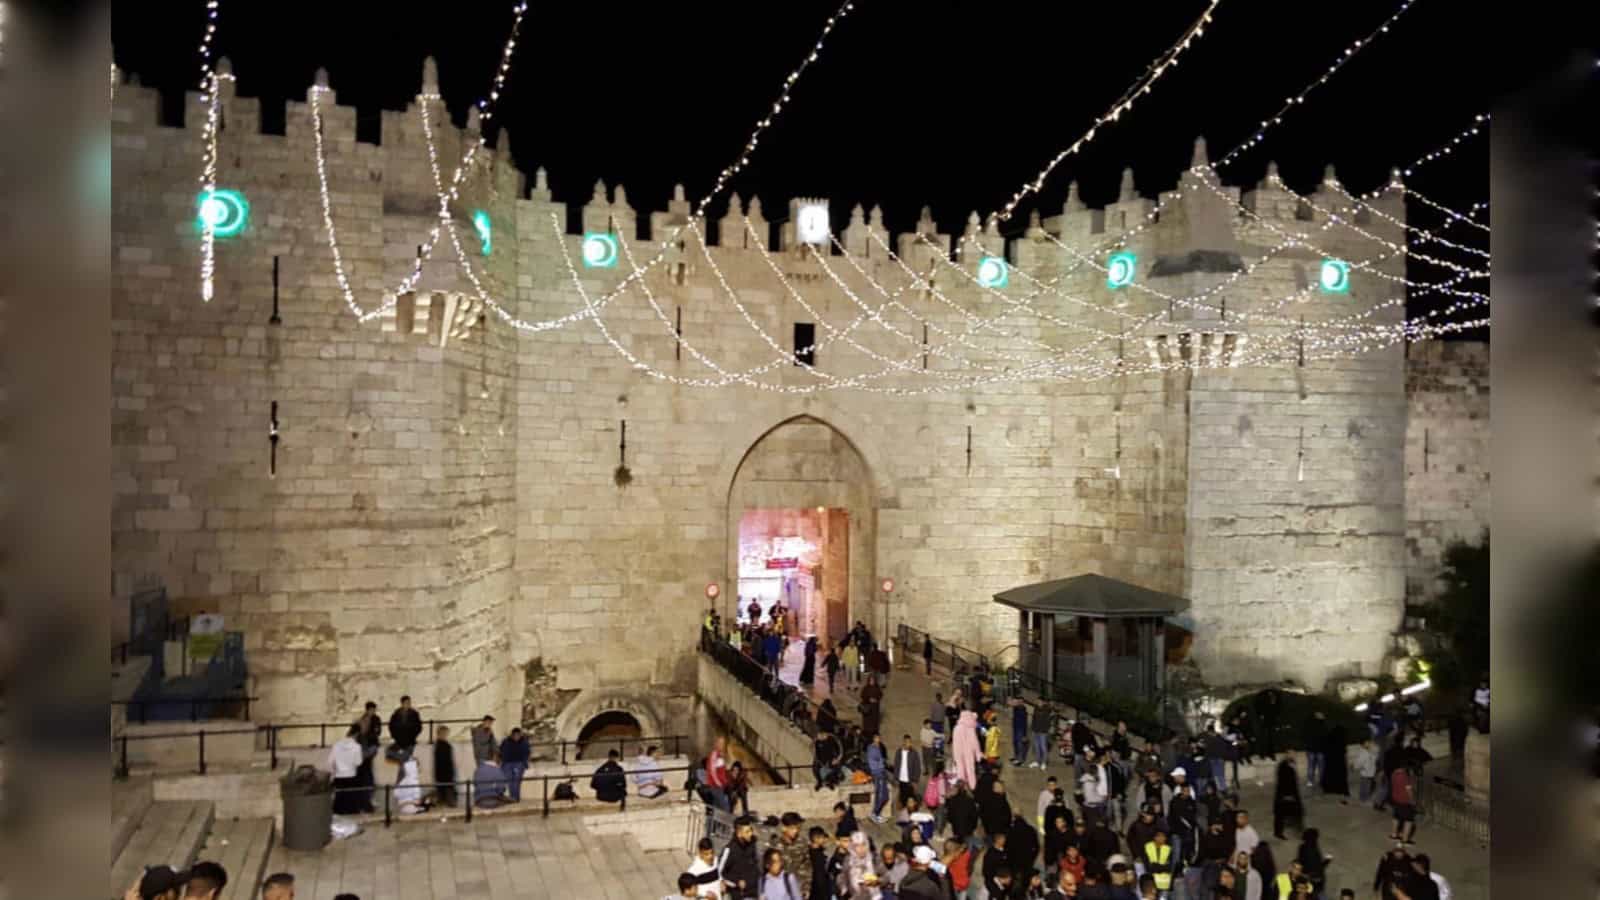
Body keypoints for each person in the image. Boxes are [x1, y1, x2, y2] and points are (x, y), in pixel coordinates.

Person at [721, 816, 764, 900]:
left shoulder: (753, 845)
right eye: (747, 832)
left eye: (751, 830)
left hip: (754, 894)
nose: (751, 834)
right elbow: (720, 873)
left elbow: (756, 868)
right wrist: (736, 882)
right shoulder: (729, 850)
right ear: (739, 833)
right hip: (739, 895)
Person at [328, 725, 367, 815]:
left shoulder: (337, 744)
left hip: (339, 777)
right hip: (351, 776)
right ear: (357, 735)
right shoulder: (357, 747)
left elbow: (330, 761)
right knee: (351, 802)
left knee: (339, 802)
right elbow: (358, 762)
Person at [838, 830, 886, 900]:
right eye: (857, 845)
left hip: (874, 897)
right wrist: (844, 889)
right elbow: (842, 877)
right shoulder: (848, 860)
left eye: (863, 844)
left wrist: (877, 881)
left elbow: (886, 876)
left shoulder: (874, 858)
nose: (861, 848)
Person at [1272, 754, 1303, 840]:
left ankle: (1283, 831)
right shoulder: (1284, 767)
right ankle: (1279, 832)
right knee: (1282, 814)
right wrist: (1287, 795)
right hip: (1286, 795)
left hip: (1289, 794)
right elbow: (1284, 782)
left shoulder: (1290, 764)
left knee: (1292, 813)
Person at [1140, 829, 1176, 899]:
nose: (1162, 838)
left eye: (1163, 836)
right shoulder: (1147, 847)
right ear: (1154, 837)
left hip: (1165, 884)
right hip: (1151, 884)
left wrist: (1156, 867)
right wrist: (1162, 867)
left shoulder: (1168, 849)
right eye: (1159, 836)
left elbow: (1170, 867)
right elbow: (1148, 866)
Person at [1294, 829, 1330, 900]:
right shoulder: (1312, 849)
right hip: (1314, 881)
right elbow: (1317, 868)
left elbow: (1300, 863)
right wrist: (1327, 861)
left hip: (1310, 879)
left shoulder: (1302, 847)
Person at [497, 727, 530, 802]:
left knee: (516, 780)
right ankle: (513, 798)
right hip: (507, 763)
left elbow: (527, 753)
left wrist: (524, 763)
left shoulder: (524, 742)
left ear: (520, 735)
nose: (516, 737)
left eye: (518, 735)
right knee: (509, 780)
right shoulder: (506, 741)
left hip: (519, 763)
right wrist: (501, 761)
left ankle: (515, 798)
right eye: (515, 735)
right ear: (512, 735)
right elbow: (500, 751)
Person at [1388, 765, 1417, 844]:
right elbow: (1409, 791)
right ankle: (1405, 840)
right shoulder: (1404, 776)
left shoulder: (1393, 773)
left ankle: (1394, 835)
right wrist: (1412, 800)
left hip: (1395, 799)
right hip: (1405, 801)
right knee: (1409, 820)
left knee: (1396, 816)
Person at [894, 733, 924, 808]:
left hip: (910, 780)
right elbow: (896, 765)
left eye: (910, 742)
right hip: (901, 779)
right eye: (906, 742)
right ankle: (904, 810)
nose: (908, 744)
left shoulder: (914, 753)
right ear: (903, 742)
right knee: (903, 797)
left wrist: (915, 780)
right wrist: (896, 778)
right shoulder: (899, 752)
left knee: (911, 799)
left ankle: (912, 812)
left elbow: (917, 767)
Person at [432, 724, 458, 807]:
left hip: (441, 774)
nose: (446, 735)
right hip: (446, 774)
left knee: (442, 795)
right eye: (445, 733)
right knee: (448, 797)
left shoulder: (438, 745)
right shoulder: (445, 746)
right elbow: (447, 761)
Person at [1353, 737, 1379, 803]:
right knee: (1364, 787)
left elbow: (1374, 759)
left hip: (1370, 772)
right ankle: (1362, 799)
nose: (1369, 744)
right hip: (1365, 773)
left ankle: (1364, 799)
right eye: (1367, 743)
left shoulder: (1370, 752)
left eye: (1369, 742)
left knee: (1368, 787)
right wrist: (1358, 767)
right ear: (1363, 744)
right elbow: (1358, 763)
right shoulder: (1362, 753)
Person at [1033, 702, 1054, 769]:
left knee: (1043, 747)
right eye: (1038, 702)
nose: (1038, 703)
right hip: (1036, 731)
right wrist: (1033, 729)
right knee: (1037, 747)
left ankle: (1044, 763)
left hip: (1043, 732)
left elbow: (1049, 723)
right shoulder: (1036, 709)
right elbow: (1034, 720)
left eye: (1039, 701)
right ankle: (1037, 761)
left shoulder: (1047, 711)